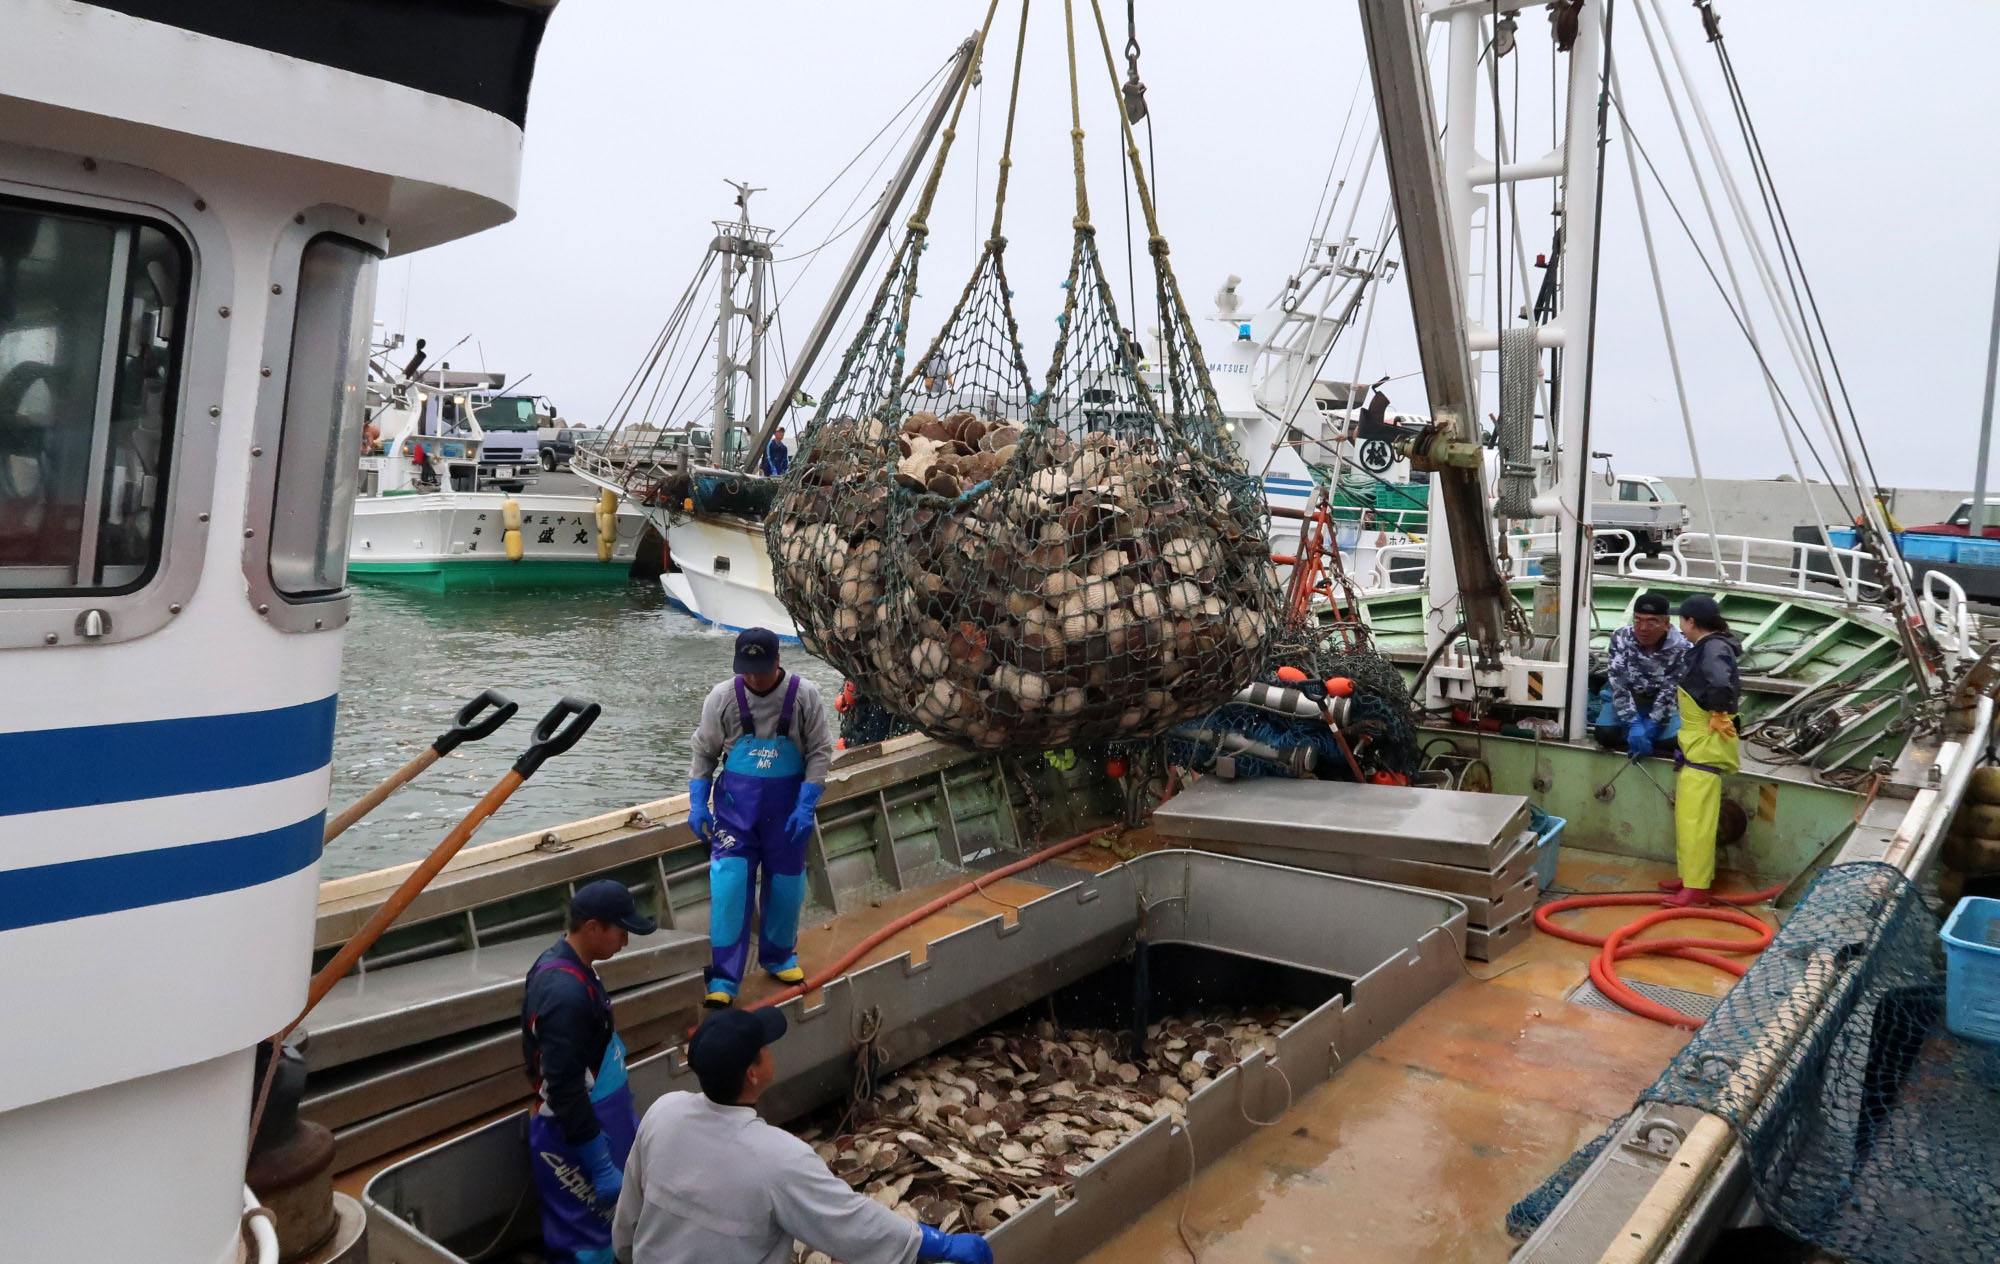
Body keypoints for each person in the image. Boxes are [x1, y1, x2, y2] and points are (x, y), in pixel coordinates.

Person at [611, 1009, 993, 1264]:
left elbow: (629, 1215)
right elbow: (849, 1224)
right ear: (753, 1074)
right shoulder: (775, 1157)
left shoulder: (664, 1112)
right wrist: (937, 1242)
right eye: (764, 1049)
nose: (770, 1051)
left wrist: (624, 1255)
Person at [688, 628, 835, 1007]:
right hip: (736, 815)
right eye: (746, 670)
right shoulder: (722, 698)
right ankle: (723, 977)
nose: (753, 678)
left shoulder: (806, 696)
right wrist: (697, 801)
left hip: (788, 815)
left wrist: (806, 804)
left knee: (787, 888)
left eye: (761, 669)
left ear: (778, 662)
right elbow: (704, 752)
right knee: (730, 888)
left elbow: (820, 751)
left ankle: (779, 956)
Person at [522, 880, 658, 1264]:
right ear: (593, 927)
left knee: (610, 1232)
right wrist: (598, 1160)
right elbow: (563, 1087)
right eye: (621, 932)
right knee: (585, 1240)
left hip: (603, 1113)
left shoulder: (575, 965)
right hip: (575, 1136)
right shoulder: (563, 994)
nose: (625, 942)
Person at [1662, 594, 1742, 908]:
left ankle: (1696, 889)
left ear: (1691, 621)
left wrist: (1720, 712)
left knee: (1697, 821)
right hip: (1696, 745)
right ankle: (1689, 876)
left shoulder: (1713, 649)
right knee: (1687, 818)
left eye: (1681, 620)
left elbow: (1720, 683)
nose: (1679, 626)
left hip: (1706, 745)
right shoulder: (1711, 646)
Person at [1591, 591, 1690, 758]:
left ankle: (1646, 740)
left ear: (1666, 624)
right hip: (1627, 698)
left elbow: (1670, 691)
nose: (1643, 629)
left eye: (1652, 623)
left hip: (1662, 702)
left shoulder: (1682, 647)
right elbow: (1618, 683)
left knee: (1673, 741)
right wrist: (1633, 722)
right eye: (1638, 621)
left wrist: (1653, 724)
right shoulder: (1621, 637)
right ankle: (1634, 739)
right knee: (1605, 735)